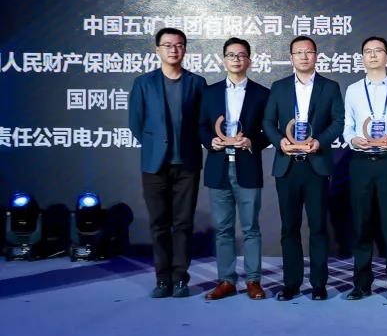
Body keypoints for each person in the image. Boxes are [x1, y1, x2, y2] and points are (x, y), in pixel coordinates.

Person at [262, 36, 345, 301]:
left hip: (316, 165)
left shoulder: (329, 87)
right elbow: (268, 122)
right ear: (291, 58)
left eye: (308, 52)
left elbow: (338, 121)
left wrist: (319, 141)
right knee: (290, 228)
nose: (304, 57)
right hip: (287, 166)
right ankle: (291, 283)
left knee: (318, 228)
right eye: (298, 52)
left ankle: (319, 284)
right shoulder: (279, 87)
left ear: (316, 56)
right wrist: (280, 142)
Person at [128, 28, 206, 298]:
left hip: (187, 164)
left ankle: (180, 279)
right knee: (159, 224)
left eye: (179, 45)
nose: (174, 50)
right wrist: (156, 146)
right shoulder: (144, 83)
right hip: (155, 165)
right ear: (157, 50)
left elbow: (202, 122)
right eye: (168, 45)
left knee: (183, 224)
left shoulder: (197, 83)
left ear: (185, 49)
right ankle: (162, 280)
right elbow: (136, 123)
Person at [200, 37, 270, 300]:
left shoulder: (262, 94)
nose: (236, 59)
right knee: (223, 229)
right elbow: (200, 126)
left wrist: (253, 142)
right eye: (231, 55)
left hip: (247, 166)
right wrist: (211, 141)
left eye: (241, 55)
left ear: (249, 60)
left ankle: (253, 280)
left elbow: (270, 130)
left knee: (251, 228)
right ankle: (227, 281)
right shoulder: (209, 93)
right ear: (223, 60)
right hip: (218, 166)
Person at [342, 36, 387, 302]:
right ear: (362, 58)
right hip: (361, 162)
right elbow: (347, 126)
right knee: (361, 225)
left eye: (378, 51)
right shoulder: (353, 90)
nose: (372, 55)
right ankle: (361, 284)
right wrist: (353, 139)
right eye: (367, 51)